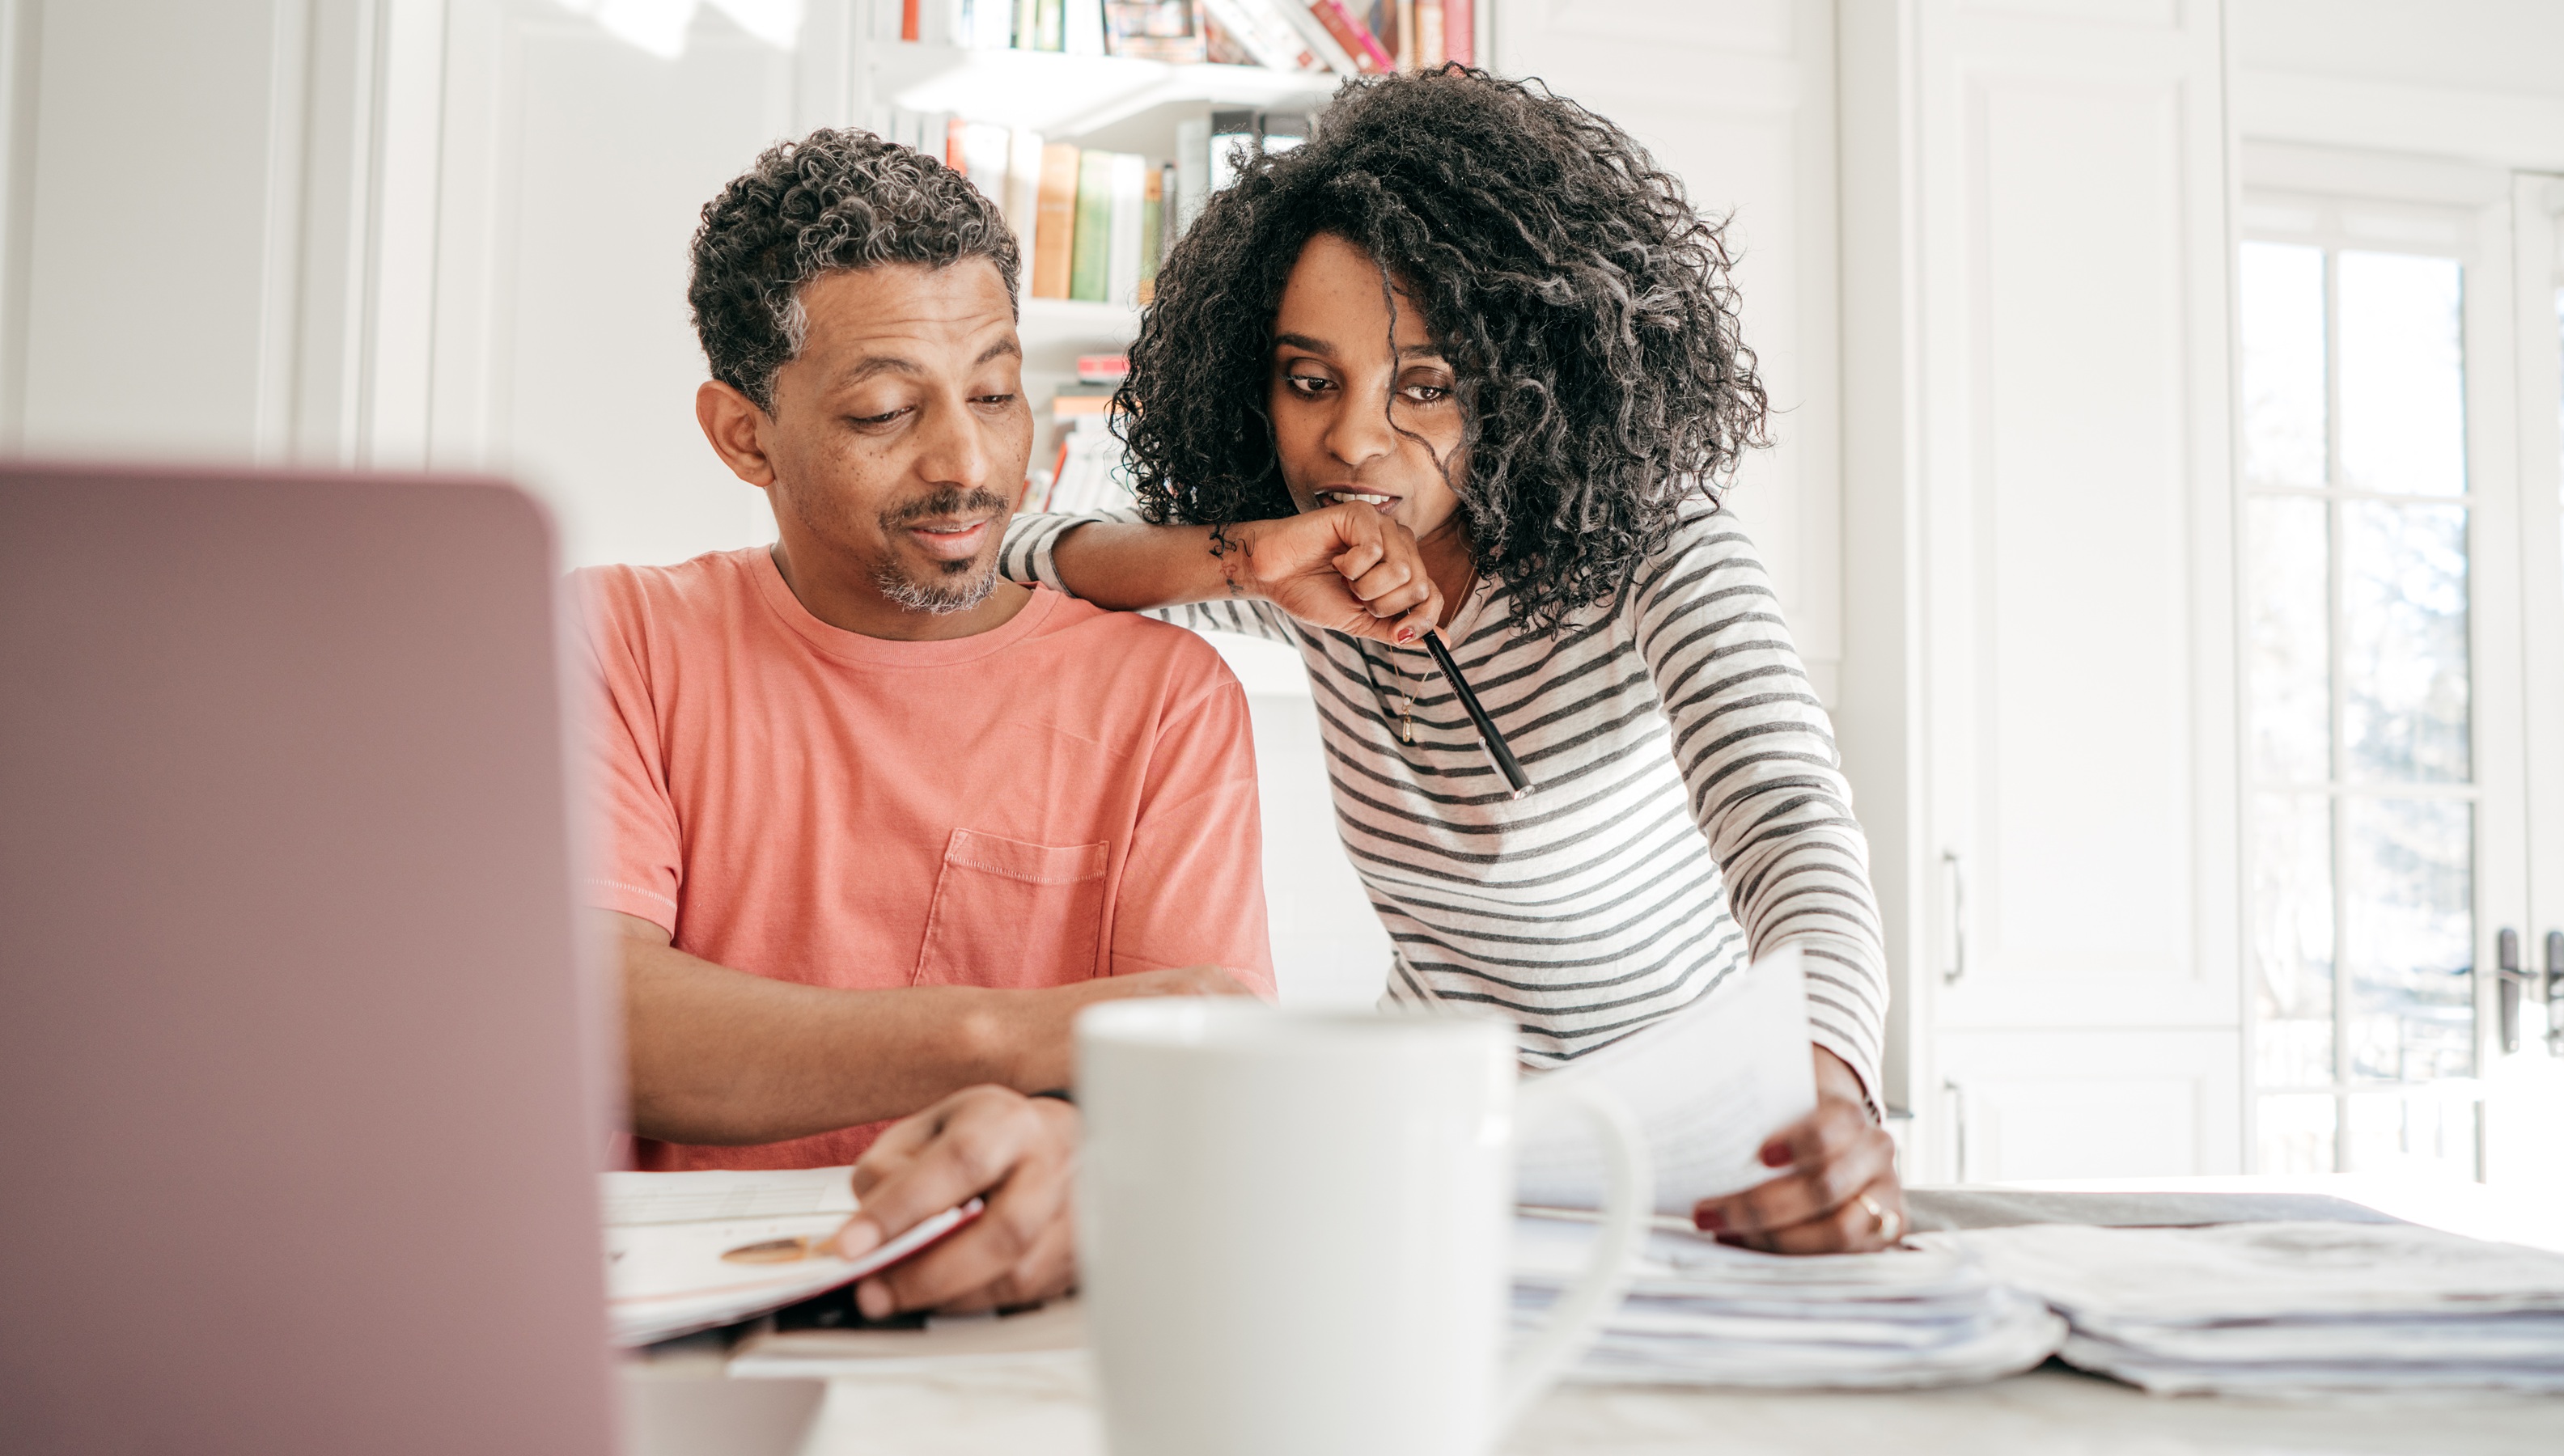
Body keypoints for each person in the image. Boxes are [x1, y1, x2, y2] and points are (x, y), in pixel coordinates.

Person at [999, 68, 1901, 1254]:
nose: (1352, 439)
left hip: (1689, 1145)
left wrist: (1826, 1077)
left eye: (1425, 384)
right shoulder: (1312, 570)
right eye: (1308, 379)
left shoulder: (1659, 550)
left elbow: (1789, 819)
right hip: (1441, 1145)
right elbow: (1020, 549)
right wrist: (1252, 560)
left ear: (1529, 381)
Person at [576, 130, 1270, 1310]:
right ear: (745, 434)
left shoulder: (1167, 704)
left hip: (1027, 1317)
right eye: (887, 412)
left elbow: (1194, 1088)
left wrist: (1084, 1172)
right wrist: (1010, 1039)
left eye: (997, 395)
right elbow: (595, 1017)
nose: (969, 462)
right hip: (667, 1317)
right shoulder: (622, 641)